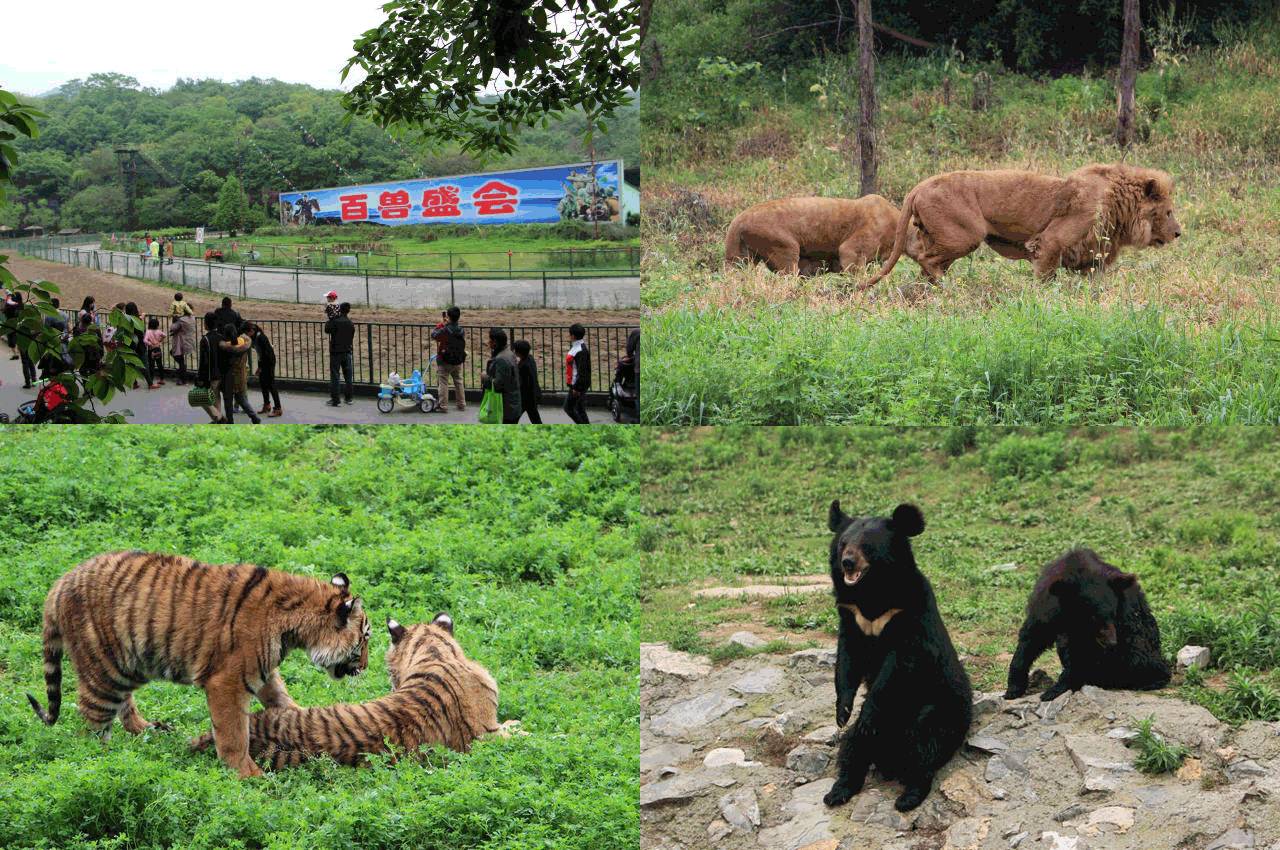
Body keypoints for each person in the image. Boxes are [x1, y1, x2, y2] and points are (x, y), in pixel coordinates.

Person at [219, 323, 259, 424]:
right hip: (240, 375)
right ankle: (254, 417)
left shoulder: (225, 346)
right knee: (241, 399)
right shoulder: (243, 342)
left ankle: (230, 421)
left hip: (228, 377)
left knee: (228, 401)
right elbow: (246, 340)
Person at [481, 328, 521, 424]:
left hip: (505, 407)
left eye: (489, 339)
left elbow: (498, 384)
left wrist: (485, 377)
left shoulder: (501, 359)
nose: (488, 342)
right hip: (513, 404)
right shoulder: (509, 353)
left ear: (494, 342)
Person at [430, 306, 466, 412]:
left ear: (448, 317)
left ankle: (443, 406)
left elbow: (434, 335)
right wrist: (447, 324)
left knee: (443, 382)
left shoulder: (445, 329)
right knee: (459, 381)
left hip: (445, 360)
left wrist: (442, 324)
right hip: (458, 360)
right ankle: (461, 404)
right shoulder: (461, 330)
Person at [245, 322, 282, 417]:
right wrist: (260, 367)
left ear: (252, 331)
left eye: (247, 333)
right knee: (263, 383)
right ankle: (267, 405)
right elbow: (260, 355)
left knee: (271, 385)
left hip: (268, 363)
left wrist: (260, 367)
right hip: (264, 362)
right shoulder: (256, 337)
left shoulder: (260, 338)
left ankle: (278, 408)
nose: (246, 335)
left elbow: (266, 355)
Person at [195, 312, 224, 423]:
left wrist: (201, 378)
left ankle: (219, 418)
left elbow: (204, 361)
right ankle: (218, 418)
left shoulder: (205, 340)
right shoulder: (221, 337)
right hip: (220, 373)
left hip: (210, 374)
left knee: (202, 398)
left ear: (206, 324)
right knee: (216, 397)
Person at [324, 301, 355, 406]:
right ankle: (349, 398)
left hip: (336, 352)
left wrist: (331, 318)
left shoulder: (336, 321)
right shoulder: (350, 323)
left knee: (335, 376)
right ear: (348, 311)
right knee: (348, 377)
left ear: (340, 310)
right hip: (347, 352)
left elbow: (327, 329)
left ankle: (336, 400)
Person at [564, 323, 591, 424]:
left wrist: (577, 388)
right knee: (579, 409)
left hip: (577, 385)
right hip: (577, 384)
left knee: (569, 408)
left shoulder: (580, 350)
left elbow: (582, 371)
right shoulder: (578, 347)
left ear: (573, 336)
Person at [512, 339, 542, 424]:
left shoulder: (523, 366)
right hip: (533, 395)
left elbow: (521, 382)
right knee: (535, 418)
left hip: (526, 398)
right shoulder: (530, 359)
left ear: (518, 352)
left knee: (513, 419)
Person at [169, 304, 196, 385]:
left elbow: (173, 328)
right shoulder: (192, 318)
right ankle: (182, 375)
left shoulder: (181, 320)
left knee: (178, 357)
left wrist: (175, 320)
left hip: (180, 342)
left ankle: (182, 378)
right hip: (188, 341)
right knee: (180, 359)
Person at [124, 302, 145, 389]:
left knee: (131, 363)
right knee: (144, 362)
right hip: (138, 343)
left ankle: (134, 382)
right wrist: (142, 317)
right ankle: (150, 382)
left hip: (129, 343)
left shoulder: (125, 319)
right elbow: (141, 329)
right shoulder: (137, 319)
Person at [144, 317, 167, 389]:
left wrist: (150, 344)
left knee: (151, 365)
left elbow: (145, 340)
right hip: (158, 349)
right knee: (159, 364)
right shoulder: (159, 331)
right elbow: (164, 335)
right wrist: (160, 341)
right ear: (157, 325)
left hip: (151, 350)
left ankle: (151, 380)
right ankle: (162, 379)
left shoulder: (148, 331)